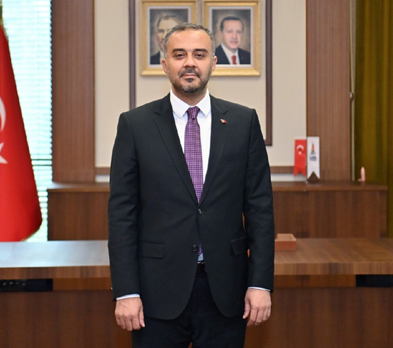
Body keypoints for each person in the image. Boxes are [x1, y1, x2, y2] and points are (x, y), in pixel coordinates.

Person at [108, 22, 275, 347]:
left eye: (199, 55)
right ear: (164, 64)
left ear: (213, 62)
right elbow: (121, 216)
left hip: (227, 291)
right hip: (155, 293)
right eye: (179, 54)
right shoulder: (135, 125)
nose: (189, 63)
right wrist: (126, 291)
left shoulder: (243, 122)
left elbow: (260, 210)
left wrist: (260, 284)